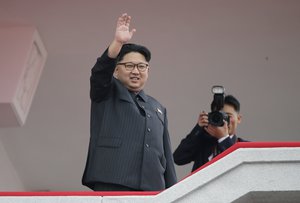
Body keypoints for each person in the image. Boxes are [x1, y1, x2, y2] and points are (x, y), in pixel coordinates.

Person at [82, 13, 177, 191]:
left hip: (153, 187)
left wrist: (173, 191)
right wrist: (117, 43)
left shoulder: (158, 108)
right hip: (113, 180)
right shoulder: (106, 92)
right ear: (116, 71)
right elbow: (100, 73)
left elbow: (166, 156)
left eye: (142, 66)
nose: (136, 71)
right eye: (129, 66)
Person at [173, 95, 247, 172]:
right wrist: (198, 128)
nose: (224, 121)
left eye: (227, 116)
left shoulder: (245, 147)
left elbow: (242, 169)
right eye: (219, 116)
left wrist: (224, 138)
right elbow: (178, 158)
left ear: (238, 118)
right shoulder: (202, 143)